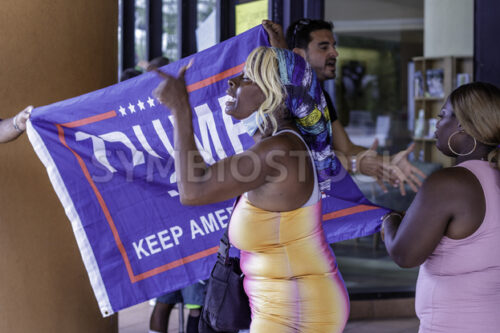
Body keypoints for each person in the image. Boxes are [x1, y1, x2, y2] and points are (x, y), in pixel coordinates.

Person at [153, 46, 349, 332]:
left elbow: (193, 190)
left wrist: (181, 109)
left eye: (247, 77)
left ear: (276, 93)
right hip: (288, 302)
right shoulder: (278, 145)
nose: (233, 82)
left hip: (299, 309)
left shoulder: (278, 150)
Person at [382, 82, 500, 332]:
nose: (437, 123)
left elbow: (405, 254)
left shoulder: (449, 183)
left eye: (443, 115)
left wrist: (389, 220)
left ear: (463, 125)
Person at [262, 19, 426, 196]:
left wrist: (387, 161)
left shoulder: (321, 96)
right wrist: (355, 164)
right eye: (324, 47)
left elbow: (346, 148)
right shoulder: (281, 99)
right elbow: (300, 157)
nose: (335, 53)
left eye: (334, 46)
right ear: (299, 55)